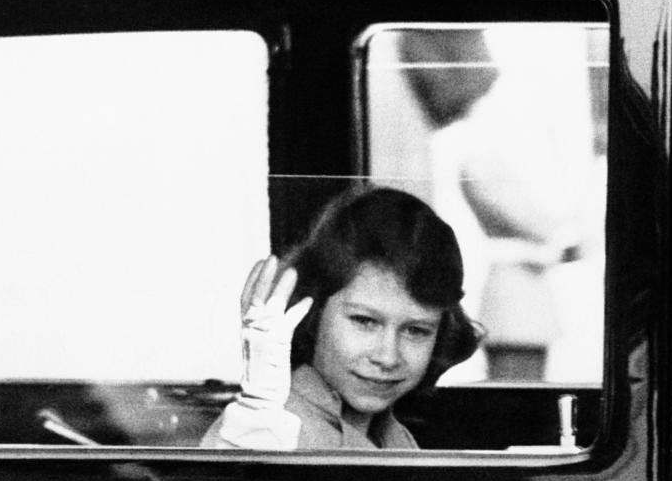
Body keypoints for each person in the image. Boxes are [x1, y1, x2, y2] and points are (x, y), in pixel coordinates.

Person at [201, 186, 481, 450]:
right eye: (364, 321)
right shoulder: (267, 425)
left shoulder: (394, 437)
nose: (388, 357)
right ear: (312, 313)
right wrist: (254, 426)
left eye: (416, 331)